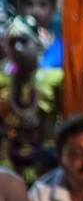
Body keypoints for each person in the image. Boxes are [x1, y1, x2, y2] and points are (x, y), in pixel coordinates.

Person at [0, 11, 63, 186]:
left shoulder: (55, 79)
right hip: (7, 160)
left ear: (38, 44)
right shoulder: (2, 82)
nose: (18, 48)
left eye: (24, 41)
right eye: (13, 43)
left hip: (45, 162)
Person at [19, 0, 63, 69]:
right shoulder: (16, 42)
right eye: (30, 4)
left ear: (53, 7)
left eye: (43, 4)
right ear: (22, 7)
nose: (36, 11)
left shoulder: (62, 46)